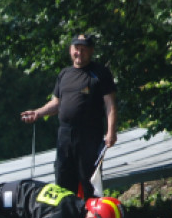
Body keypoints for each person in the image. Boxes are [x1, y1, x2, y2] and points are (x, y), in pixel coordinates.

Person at [21, 33, 118, 199]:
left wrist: (111, 132)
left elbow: (110, 104)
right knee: (63, 179)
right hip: (65, 135)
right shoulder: (64, 74)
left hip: (89, 134)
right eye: (76, 49)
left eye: (83, 49)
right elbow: (56, 104)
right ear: (70, 50)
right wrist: (37, 113)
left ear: (91, 51)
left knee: (90, 181)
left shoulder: (100, 73)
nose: (79, 53)